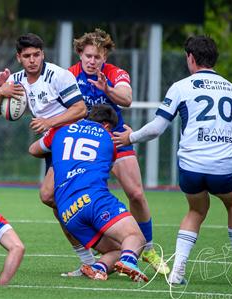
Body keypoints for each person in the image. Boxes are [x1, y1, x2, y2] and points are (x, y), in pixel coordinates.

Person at [113, 35, 232, 286]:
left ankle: (178, 272)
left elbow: (156, 128)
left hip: (191, 168)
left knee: (196, 210)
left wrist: (130, 137)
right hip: (224, 167)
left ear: (191, 58)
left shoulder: (181, 87)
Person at [0, 33, 94, 273]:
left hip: (71, 140)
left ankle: (103, 241)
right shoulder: (16, 80)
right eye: (27, 56)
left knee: (48, 195)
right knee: (60, 207)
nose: (32, 60)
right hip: (53, 142)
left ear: (43, 54)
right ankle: (89, 261)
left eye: (36, 55)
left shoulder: (58, 75)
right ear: (19, 57)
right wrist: (0, 93)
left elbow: (80, 109)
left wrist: (50, 121)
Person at [66, 28, 169, 275]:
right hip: (86, 146)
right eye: (88, 56)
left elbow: (127, 98)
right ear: (80, 53)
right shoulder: (68, 76)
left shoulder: (114, 73)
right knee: (64, 198)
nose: (92, 61)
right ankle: (95, 260)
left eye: (97, 57)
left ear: (105, 58)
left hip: (116, 139)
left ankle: (149, 249)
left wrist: (107, 90)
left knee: (136, 193)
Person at [29, 104, 148, 282]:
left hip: (67, 210)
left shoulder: (60, 130)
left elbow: (34, 150)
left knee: (115, 249)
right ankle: (129, 262)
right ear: (107, 125)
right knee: (136, 239)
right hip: (94, 199)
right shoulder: (108, 138)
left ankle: (98, 268)